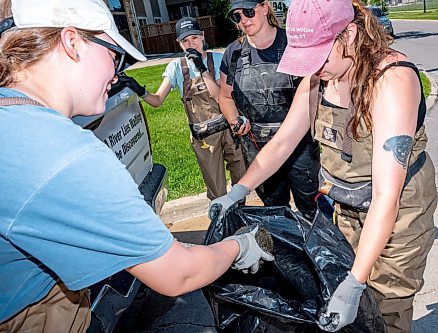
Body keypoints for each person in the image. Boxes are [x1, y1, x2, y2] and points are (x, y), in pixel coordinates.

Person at [0, 1, 273, 331]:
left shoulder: (13, 118)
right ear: (72, 42)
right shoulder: (66, 155)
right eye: (114, 55)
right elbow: (177, 273)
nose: (116, 72)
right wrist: (240, 247)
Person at [210, 0, 437, 332]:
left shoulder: (391, 82)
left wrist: (356, 282)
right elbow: (282, 144)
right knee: (345, 299)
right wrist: (238, 192)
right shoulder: (319, 79)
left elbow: (387, 196)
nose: (314, 69)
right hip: (348, 208)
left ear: (350, 34)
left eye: (320, 56)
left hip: (400, 213)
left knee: (385, 307)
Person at [215, 0, 320, 221]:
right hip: (258, 146)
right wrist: (235, 121)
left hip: (300, 144)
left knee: (312, 209)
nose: (243, 20)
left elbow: (318, 89)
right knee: (274, 212)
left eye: (248, 12)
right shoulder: (233, 54)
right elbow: (224, 96)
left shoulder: (295, 44)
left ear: (265, 7)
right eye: (237, 17)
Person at [120, 17, 246, 201]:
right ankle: (224, 221)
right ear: (179, 43)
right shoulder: (176, 67)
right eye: (185, 41)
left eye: (194, 38)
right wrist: (139, 90)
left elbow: (220, 96)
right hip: (204, 136)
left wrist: (202, 69)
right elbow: (157, 101)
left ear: (202, 36)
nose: (191, 44)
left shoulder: (218, 59)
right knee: (216, 189)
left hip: (228, 129)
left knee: (241, 178)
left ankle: (242, 213)